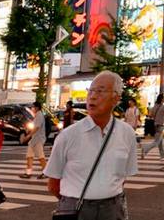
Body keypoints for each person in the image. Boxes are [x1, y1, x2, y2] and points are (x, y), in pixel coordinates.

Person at [45, 72, 136, 220]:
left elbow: (122, 178)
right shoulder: (68, 135)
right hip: (75, 209)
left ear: (116, 98)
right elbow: (53, 185)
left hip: (113, 209)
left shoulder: (127, 133)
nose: (92, 96)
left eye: (100, 91)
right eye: (91, 91)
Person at [22, 102, 48, 181]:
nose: (32, 108)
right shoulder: (36, 115)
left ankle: (46, 173)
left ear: (37, 107)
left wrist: (28, 136)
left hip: (38, 139)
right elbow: (34, 126)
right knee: (29, 156)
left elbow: (37, 128)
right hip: (34, 140)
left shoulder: (39, 115)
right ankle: (28, 173)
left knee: (41, 157)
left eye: (33, 107)